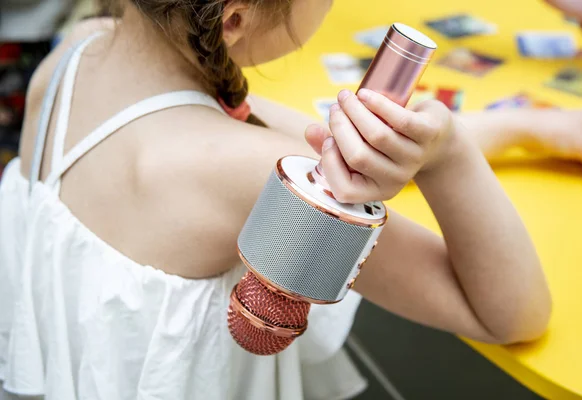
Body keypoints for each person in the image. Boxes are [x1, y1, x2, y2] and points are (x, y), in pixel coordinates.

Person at [0, 1, 552, 400]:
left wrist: (527, 129)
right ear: (235, 19)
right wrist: (449, 153)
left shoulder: (83, 49)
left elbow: (322, 142)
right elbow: (510, 314)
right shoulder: (247, 173)